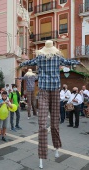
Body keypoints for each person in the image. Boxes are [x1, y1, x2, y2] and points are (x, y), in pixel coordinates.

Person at [19, 40, 80, 169]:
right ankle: (42, 156)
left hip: (52, 92)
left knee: (54, 122)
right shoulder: (49, 57)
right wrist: (77, 61)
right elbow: (69, 62)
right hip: (46, 91)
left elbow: (28, 62)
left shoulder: (50, 57)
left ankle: (56, 147)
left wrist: (21, 63)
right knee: (42, 125)